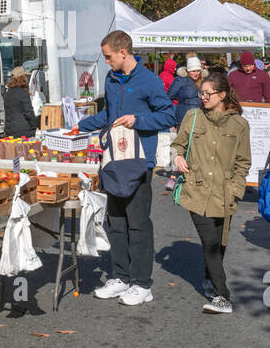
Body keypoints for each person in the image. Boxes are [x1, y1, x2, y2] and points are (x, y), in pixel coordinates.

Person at [79, 30, 176, 307]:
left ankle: (142, 284)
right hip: (112, 161)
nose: (106, 62)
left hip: (138, 162)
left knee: (138, 225)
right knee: (116, 223)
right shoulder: (111, 80)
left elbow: (167, 115)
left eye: (108, 56)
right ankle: (120, 277)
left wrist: (138, 119)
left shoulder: (149, 81)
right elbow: (108, 115)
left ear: (123, 52)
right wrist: (79, 124)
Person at [171, 73, 251, 313]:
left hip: (225, 194)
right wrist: (176, 156)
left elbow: (243, 162)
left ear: (223, 95)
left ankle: (210, 278)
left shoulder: (239, 125)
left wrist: (236, 190)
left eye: (208, 93)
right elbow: (179, 143)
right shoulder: (193, 116)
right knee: (211, 244)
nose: (203, 97)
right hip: (196, 192)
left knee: (220, 242)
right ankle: (222, 296)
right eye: (201, 93)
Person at [163, 56, 204, 191]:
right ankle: (174, 177)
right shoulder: (180, 80)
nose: (196, 73)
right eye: (193, 71)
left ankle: (194, 177)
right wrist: (171, 118)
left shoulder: (204, 81)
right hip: (184, 118)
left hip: (201, 118)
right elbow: (168, 98)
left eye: (198, 70)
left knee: (198, 149)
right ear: (187, 71)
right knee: (180, 147)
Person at [2, 66, 39, 138]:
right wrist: (35, 126)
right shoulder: (23, 93)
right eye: (25, 76)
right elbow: (28, 113)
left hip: (9, 131)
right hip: (24, 131)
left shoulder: (7, 93)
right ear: (22, 78)